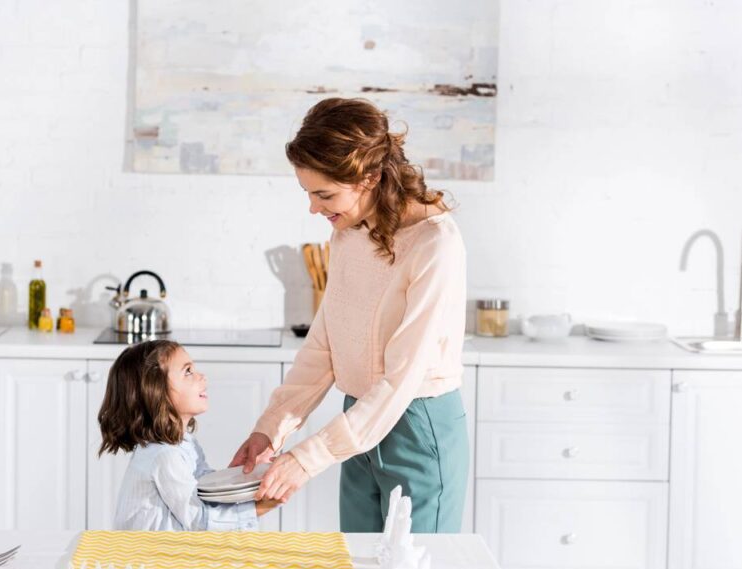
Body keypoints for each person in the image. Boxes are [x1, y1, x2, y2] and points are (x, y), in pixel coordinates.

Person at [230, 97, 469, 533]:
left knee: (413, 566)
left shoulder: (436, 245)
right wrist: (272, 428)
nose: (314, 209)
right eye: (308, 194)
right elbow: (326, 341)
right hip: (358, 421)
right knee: (357, 560)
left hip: (417, 425)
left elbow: (401, 380)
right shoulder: (350, 231)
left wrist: (308, 457)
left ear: (370, 177)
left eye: (324, 194)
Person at [98, 339, 279, 530]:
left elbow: (204, 487)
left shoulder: (184, 442)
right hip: (146, 557)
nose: (202, 376)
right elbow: (199, 520)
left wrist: (247, 473)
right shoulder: (164, 456)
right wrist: (259, 507)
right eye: (188, 372)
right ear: (156, 392)